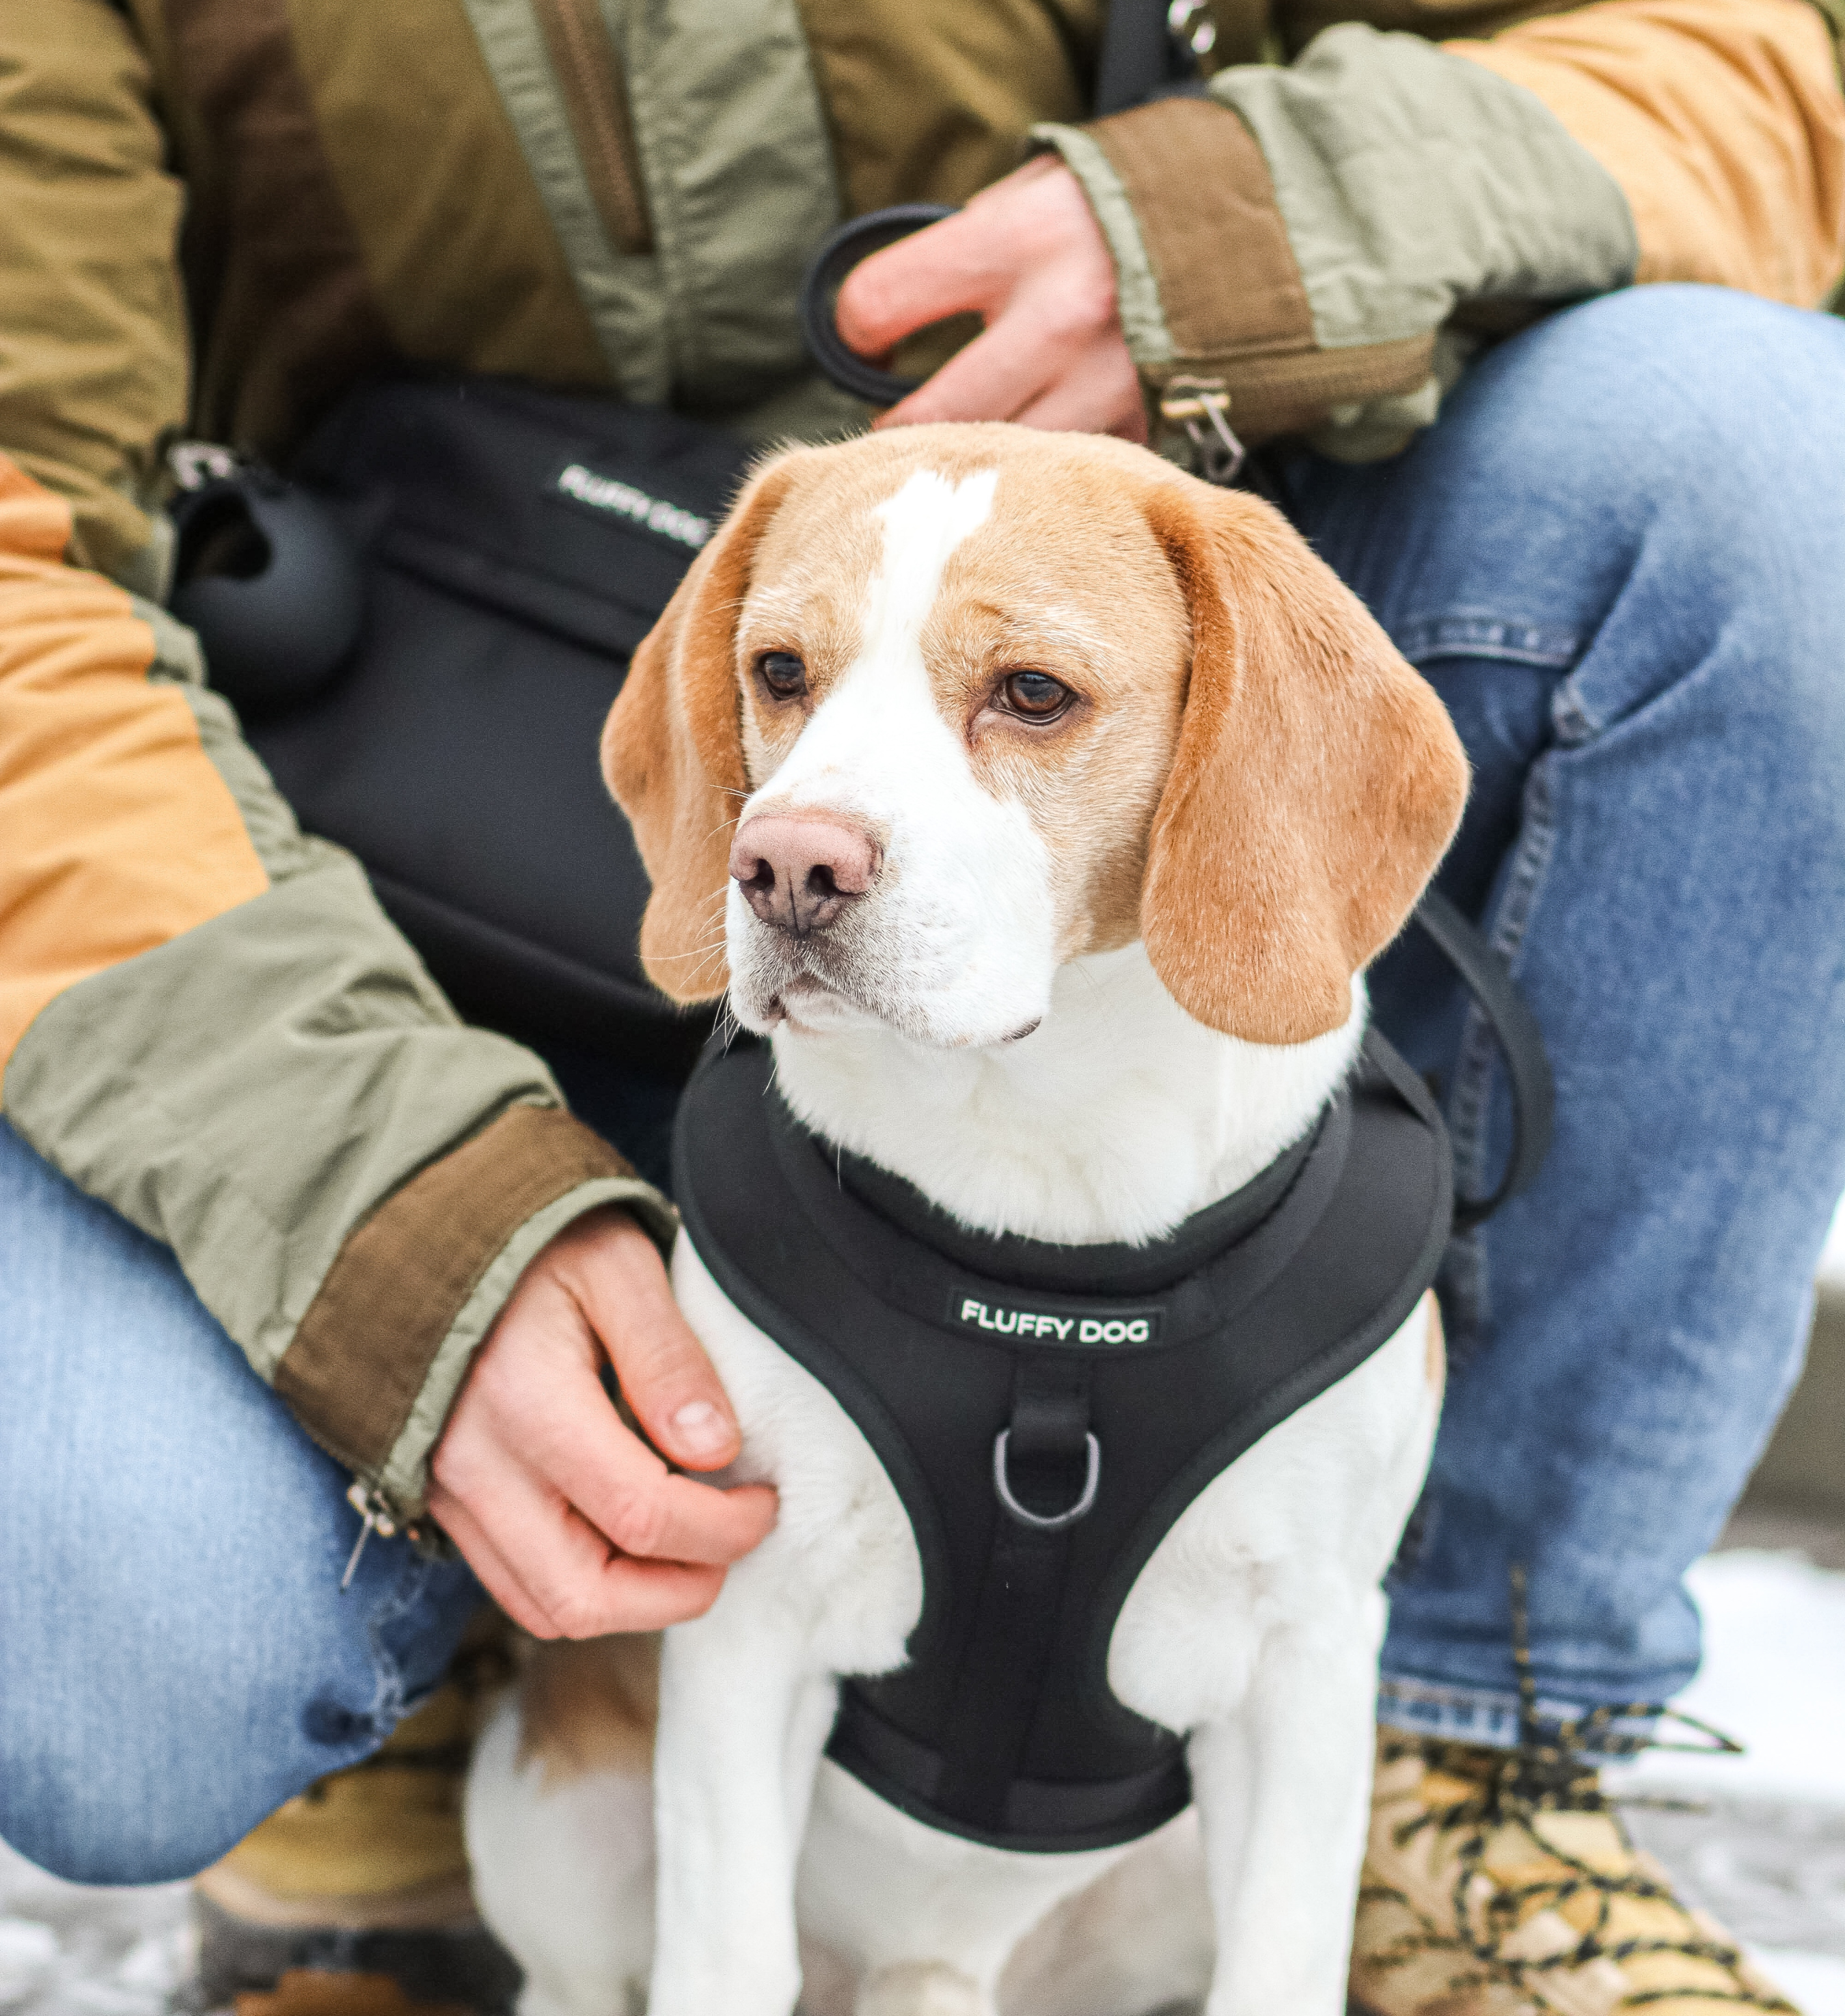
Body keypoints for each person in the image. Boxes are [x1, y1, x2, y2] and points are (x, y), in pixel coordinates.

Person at [2, 2, 1842, 2013]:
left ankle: (1464, 1759)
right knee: (112, 1625)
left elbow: (1761, 57)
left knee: (1772, 459)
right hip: (339, 839)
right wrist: (371, 1205)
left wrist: (1262, 223)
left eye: (1028, 699)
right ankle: (406, 1720)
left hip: (1175, 645)